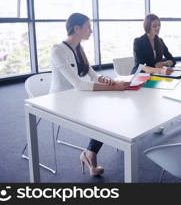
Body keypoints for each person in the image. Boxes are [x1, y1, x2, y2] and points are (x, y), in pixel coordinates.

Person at [50, 13, 130, 177]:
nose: (91, 31)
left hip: (78, 97)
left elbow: (92, 75)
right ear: (77, 28)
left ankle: (89, 152)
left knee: (112, 108)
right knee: (104, 113)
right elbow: (79, 84)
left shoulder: (79, 48)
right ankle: (90, 153)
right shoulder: (57, 50)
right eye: (88, 27)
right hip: (61, 102)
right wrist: (115, 88)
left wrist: (108, 81)